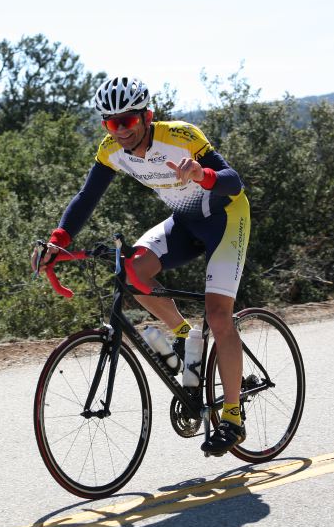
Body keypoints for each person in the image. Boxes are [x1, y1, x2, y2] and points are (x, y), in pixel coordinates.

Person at [36, 76, 251, 455]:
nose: (119, 130)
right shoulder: (110, 151)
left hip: (226, 220)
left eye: (127, 121)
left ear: (146, 115)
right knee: (133, 269)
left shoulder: (181, 137)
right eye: (110, 122)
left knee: (218, 316)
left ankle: (232, 416)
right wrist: (58, 241)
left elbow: (234, 183)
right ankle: (186, 337)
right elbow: (87, 197)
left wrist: (203, 175)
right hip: (185, 222)